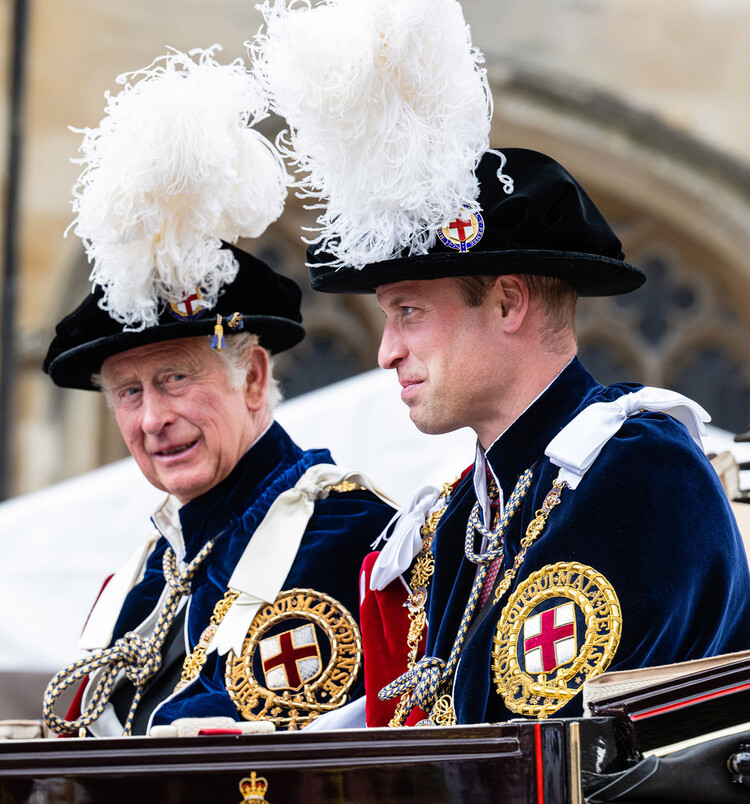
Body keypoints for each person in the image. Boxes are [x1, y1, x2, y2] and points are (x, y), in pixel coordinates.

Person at [252, 0, 750, 727]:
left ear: (509, 301)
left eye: (410, 313)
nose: (388, 350)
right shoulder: (460, 511)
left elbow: (546, 740)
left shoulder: (637, 470)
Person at [39, 47, 395, 737]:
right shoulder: (149, 568)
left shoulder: (342, 532)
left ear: (254, 378)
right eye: (129, 393)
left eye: (175, 378)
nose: (153, 419)